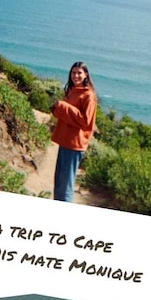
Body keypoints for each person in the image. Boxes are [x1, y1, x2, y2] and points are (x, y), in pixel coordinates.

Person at [50, 62, 98, 202]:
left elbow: (85, 121)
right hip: (66, 141)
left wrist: (63, 106)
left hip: (75, 144)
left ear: (86, 75)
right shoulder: (73, 90)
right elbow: (69, 116)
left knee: (66, 185)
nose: (76, 76)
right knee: (59, 182)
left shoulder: (88, 95)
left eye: (79, 73)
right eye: (73, 73)